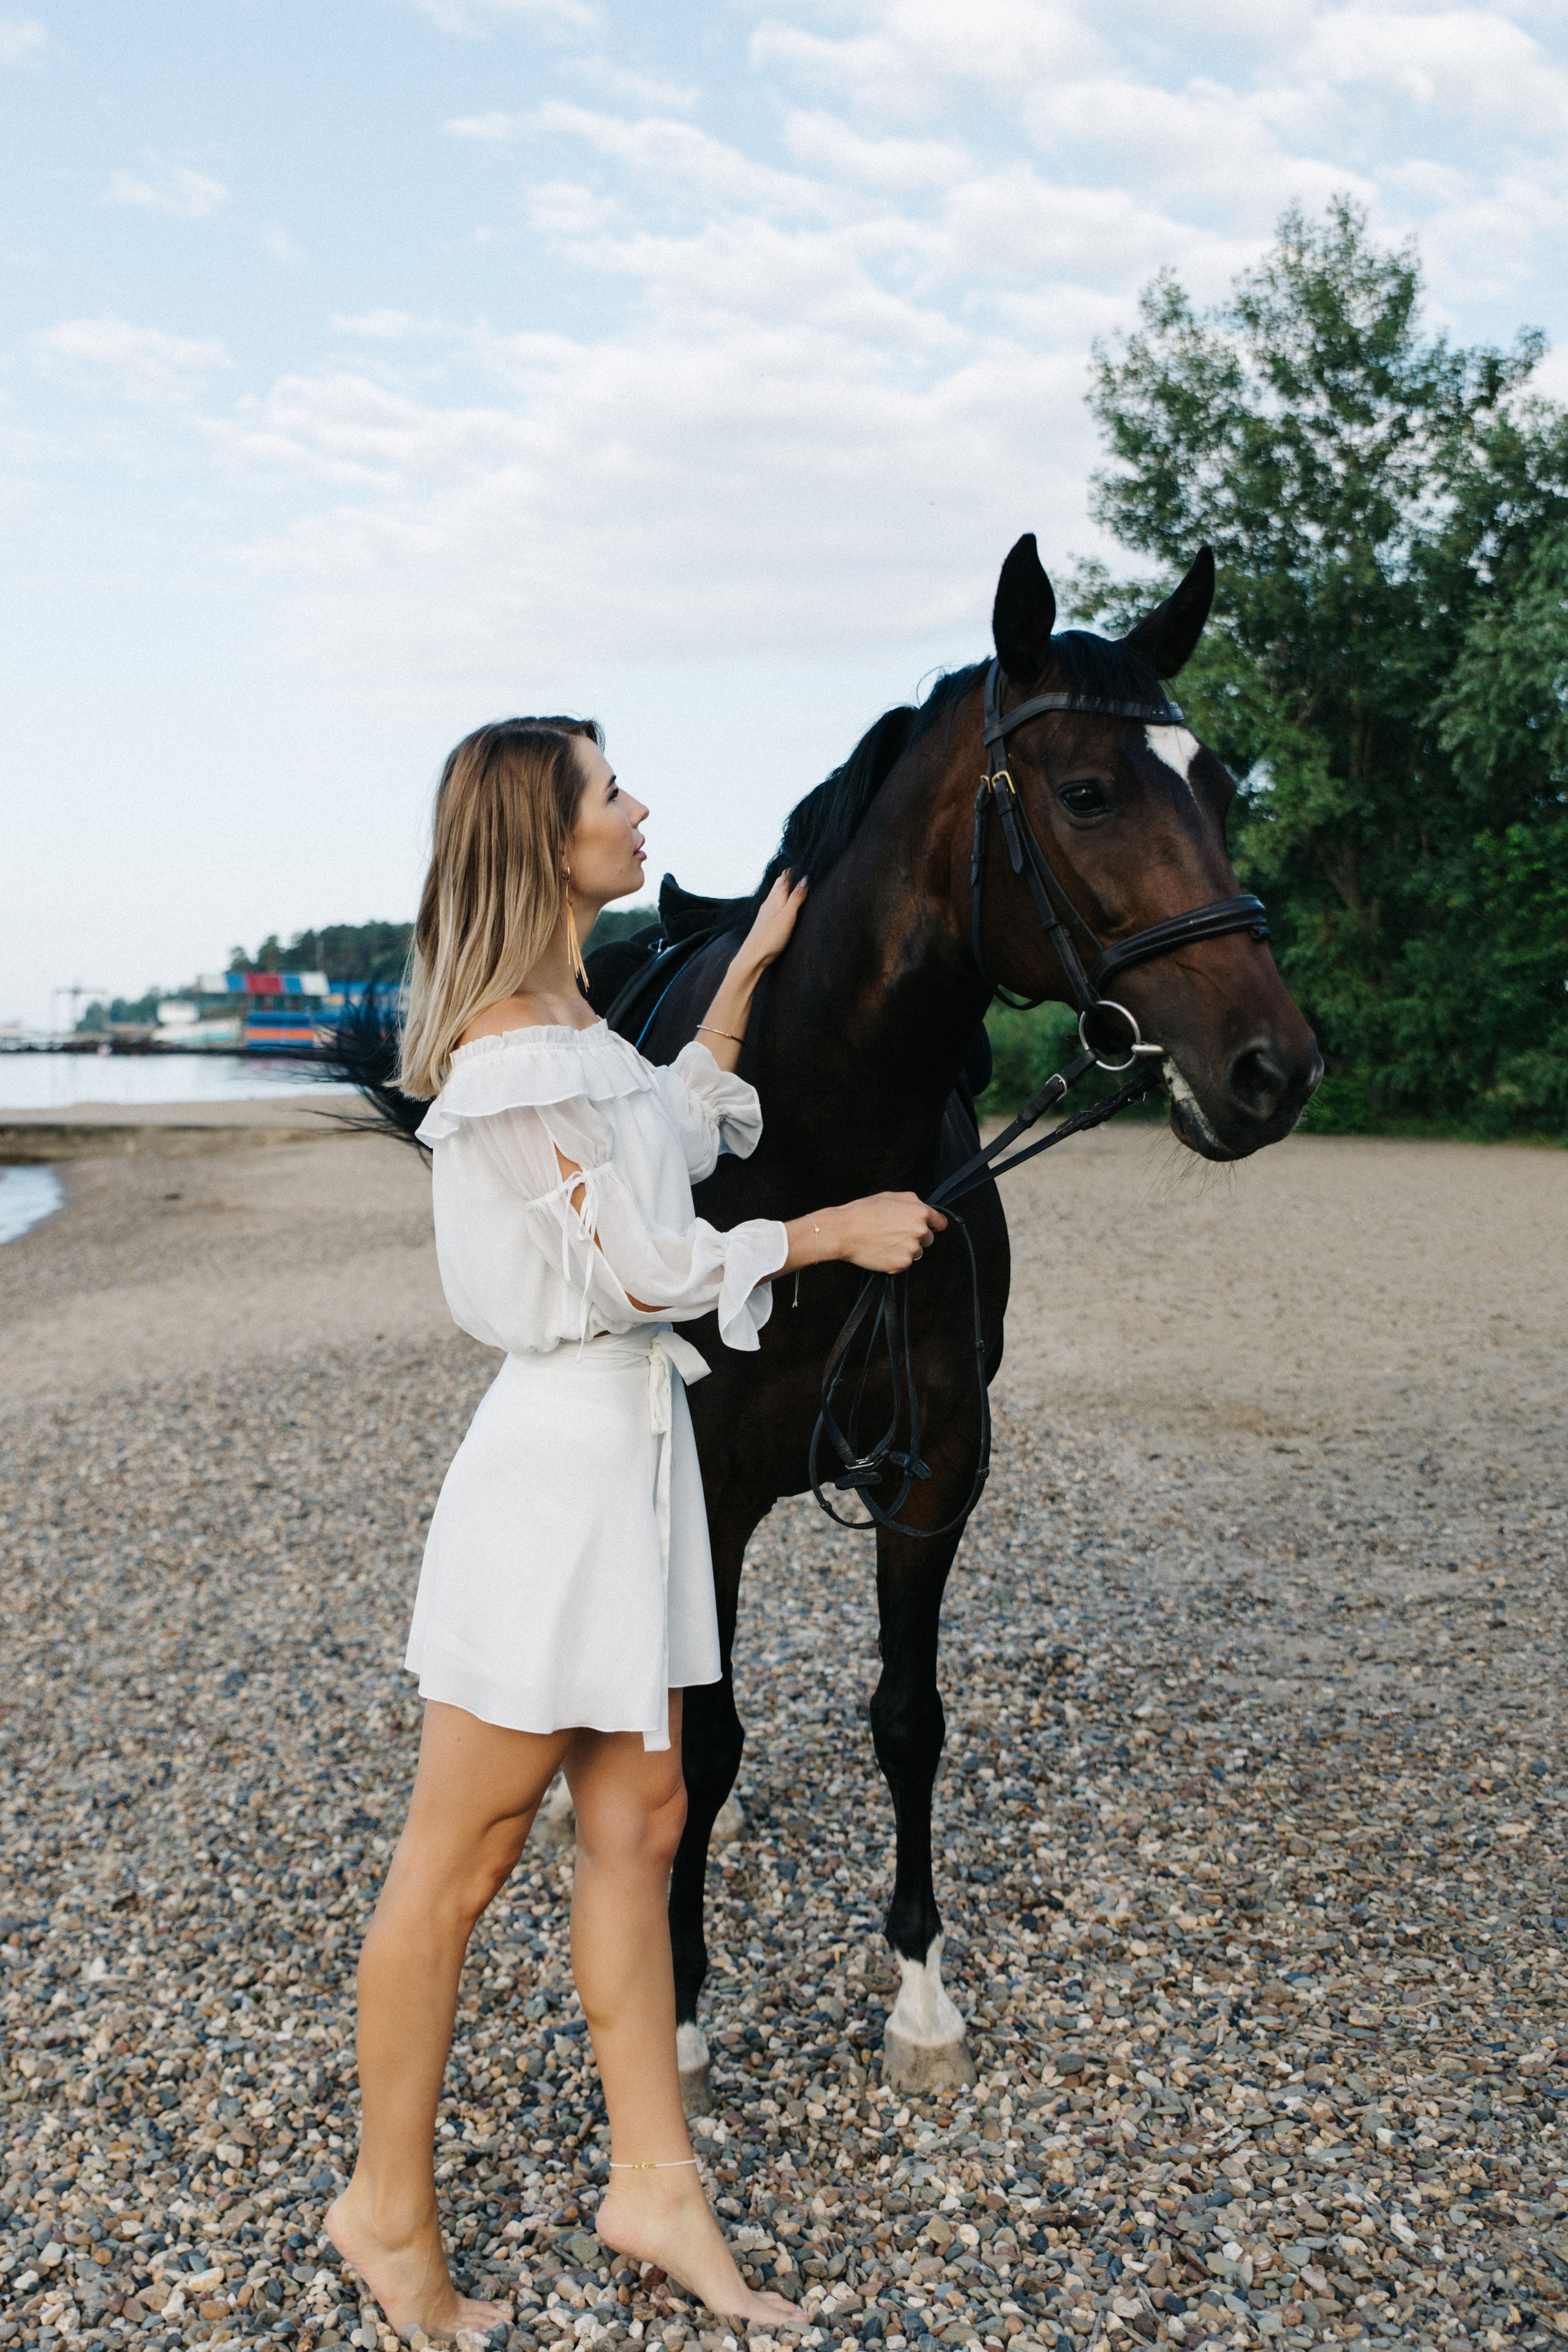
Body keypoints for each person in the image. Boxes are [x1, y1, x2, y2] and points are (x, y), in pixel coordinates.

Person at [326, 717, 946, 2335]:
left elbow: (666, 1133)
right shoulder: (509, 1053)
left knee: (646, 1828)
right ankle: (384, 2213)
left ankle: (654, 2189)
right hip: (555, 1485)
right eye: (611, 791)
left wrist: (749, 973)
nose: (640, 806)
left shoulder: (575, 1033)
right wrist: (829, 1228)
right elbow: (643, 1269)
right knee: (458, 1864)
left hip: (632, 1468)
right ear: (545, 838)